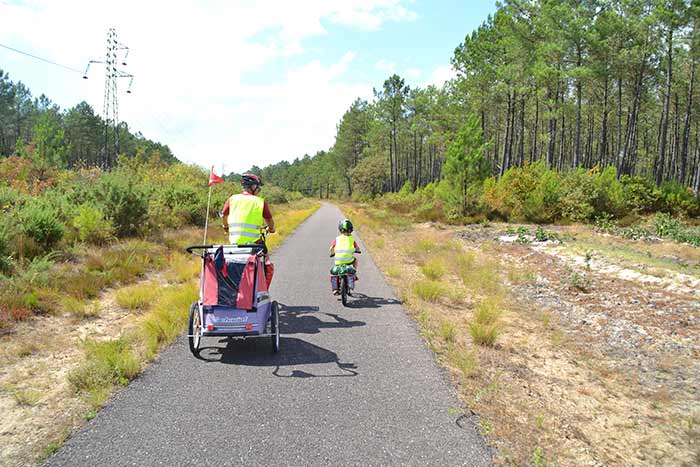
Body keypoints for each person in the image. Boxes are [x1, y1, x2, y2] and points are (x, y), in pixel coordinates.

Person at [222, 173, 276, 285]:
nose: (258, 189)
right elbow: (269, 220)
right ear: (252, 186)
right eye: (257, 186)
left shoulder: (232, 199)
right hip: (255, 244)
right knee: (267, 262)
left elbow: (224, 215)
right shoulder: (259, 202)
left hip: (234, 243)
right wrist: (272, 229)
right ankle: (262, 289)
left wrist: (226, 227)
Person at [329, 218, 361, 295]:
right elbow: (357, 248)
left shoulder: (337, 239)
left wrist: (332, 253)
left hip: (338, 261)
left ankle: (335, 289)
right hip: (349, 260)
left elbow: (331, 248)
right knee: (355, 260)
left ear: (340, 229)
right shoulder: (352, 239)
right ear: (351, 230)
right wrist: (358, 251)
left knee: (335, 273)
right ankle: (354, 273)